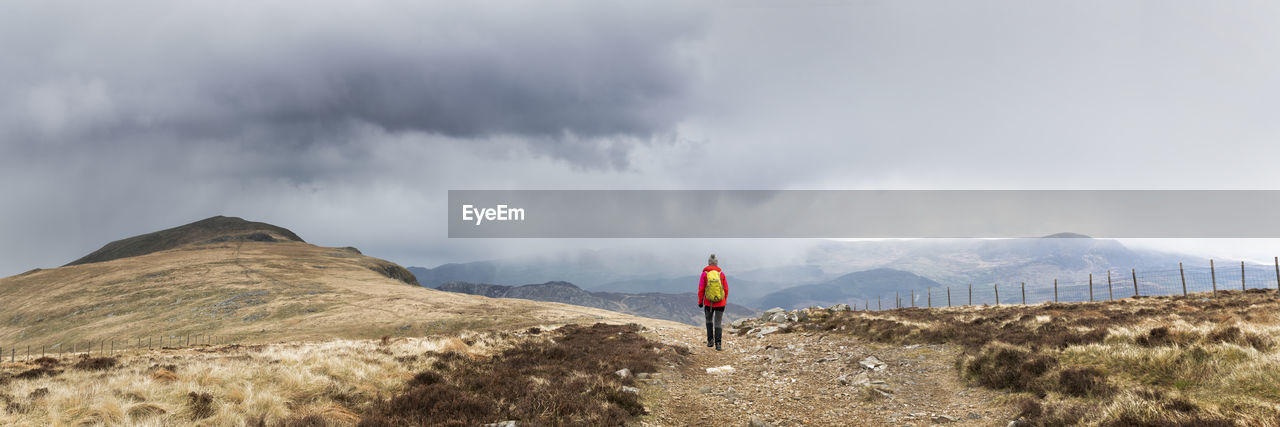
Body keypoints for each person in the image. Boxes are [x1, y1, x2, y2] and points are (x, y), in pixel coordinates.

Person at [698, 254, 728, 350]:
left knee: (709, 321)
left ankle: (710, 341)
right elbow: (726, 289)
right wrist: (724, 300)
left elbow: (701, 289)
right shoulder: (721, 274)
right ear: (716, 263)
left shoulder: (704, 274)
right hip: (720, 302)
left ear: (709, 263)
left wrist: (700, 301)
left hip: (708, 302)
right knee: (718, 323)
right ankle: (718, 344)